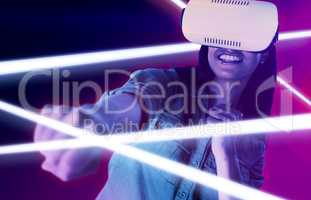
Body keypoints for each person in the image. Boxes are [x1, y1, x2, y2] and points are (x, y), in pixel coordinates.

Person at [34, 41, 277, 200]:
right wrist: (90, 121)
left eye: (246, 36)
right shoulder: (162, 84)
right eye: (222, 33)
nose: (231, 44)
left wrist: (226, 154)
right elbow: (121, 108)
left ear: (265, 53)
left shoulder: (253, 144)